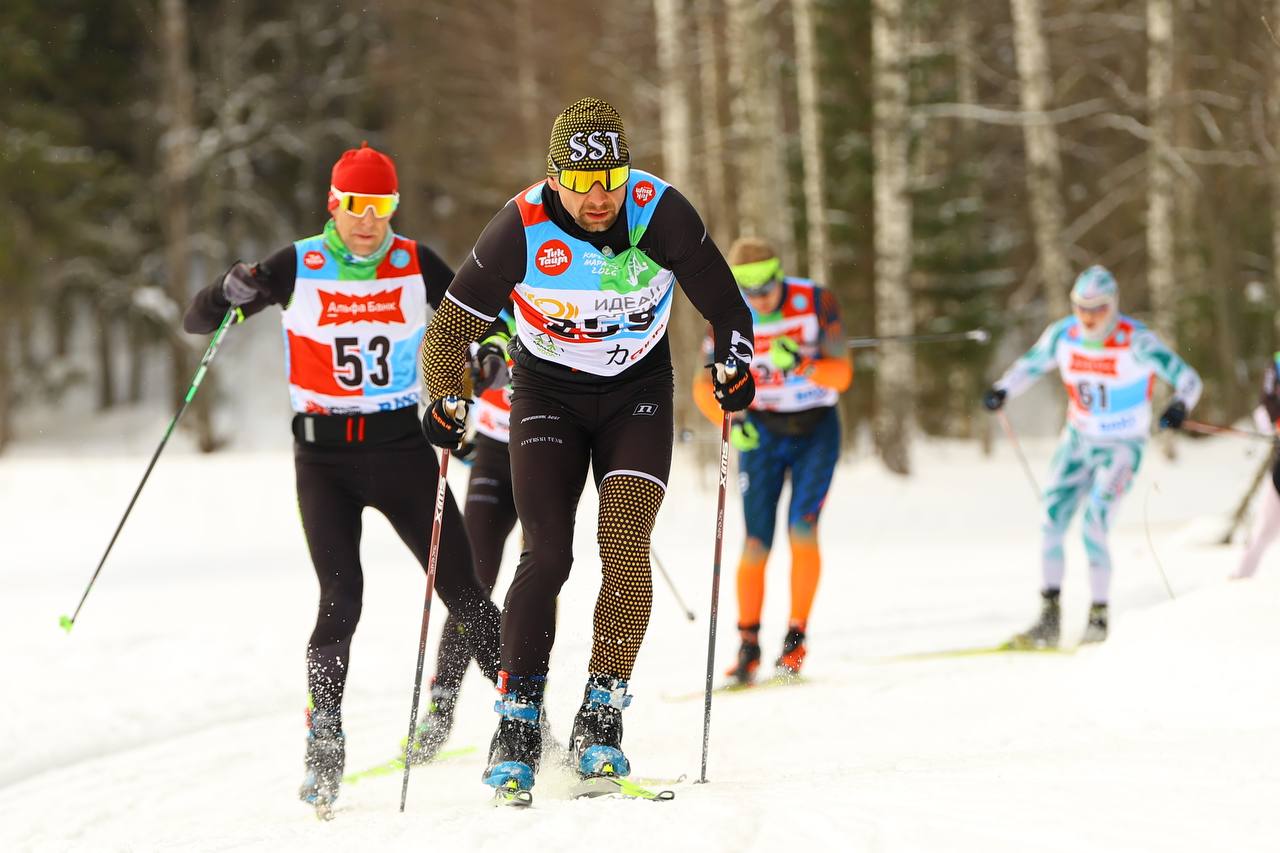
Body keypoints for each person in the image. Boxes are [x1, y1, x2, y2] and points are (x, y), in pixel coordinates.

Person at [417, 97, 755, 799]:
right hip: (548, 394)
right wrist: (446, 398)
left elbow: (728, 309)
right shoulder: (521, 227)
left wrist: (735, 362)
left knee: (626, 544)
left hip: (638, 393)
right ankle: (517, 718)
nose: (598, 198)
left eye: (610, 181)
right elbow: (449, 328)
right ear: (554, 178)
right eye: (580, 182)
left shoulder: (660, 213)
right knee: (548, 553)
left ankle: (602, 713)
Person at [182, 143, 502, 814]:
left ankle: (524, 718)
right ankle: (324, 744)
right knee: (340, 597)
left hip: (401, 450)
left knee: (465, 589)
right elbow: (198, 321)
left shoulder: (416, 263)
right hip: (324, 461)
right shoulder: (298, 264)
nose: (367, 219)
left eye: (381, 205)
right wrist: (224, 291)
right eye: (355, 204)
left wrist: (491, 352)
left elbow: (486, 319)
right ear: (334, 203)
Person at [982, 265, 1202, 647]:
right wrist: (1003, 390)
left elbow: (1189, 379)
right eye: (1081, 307)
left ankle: (1098, 618)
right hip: (1078, 441)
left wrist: (1180, 405)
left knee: (1094, 525)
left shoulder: (1136, 340)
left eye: (1098, 308)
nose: (1088, 317)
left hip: (1122, 446)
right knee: (1051, 521)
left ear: (1113, 305)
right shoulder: (1063, 335)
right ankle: (1049, 619)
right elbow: (1030, 366)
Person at [691, 237, 851, 684]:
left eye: (766, 286)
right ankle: (748, 645)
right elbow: (703, 388)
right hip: (761, 430)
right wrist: (730, 420)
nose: (759, 298)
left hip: (816, 428)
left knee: (802, 529)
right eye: (748, 289)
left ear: (780, 275)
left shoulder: (815, 301)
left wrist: (800, 363)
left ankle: (796, 639)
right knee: (755, 542)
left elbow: (842, 374)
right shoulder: (728, 314)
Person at [408, 309, 519, 761]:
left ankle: (529, 701)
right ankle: (441, 707)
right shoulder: (482, 311)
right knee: (472, 584)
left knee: (539, 577)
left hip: (549, 451)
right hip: (494, 451)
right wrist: (459, 436)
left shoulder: (560, 294)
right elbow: (445, 380)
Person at [1232, 354, 1280, 579]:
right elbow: (1264, 408)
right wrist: (1274, 424)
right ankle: (1240, 578)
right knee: (1265, 530)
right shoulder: (1277, 365)